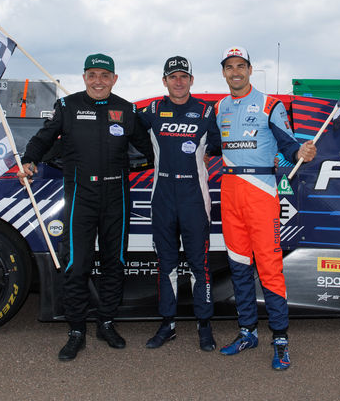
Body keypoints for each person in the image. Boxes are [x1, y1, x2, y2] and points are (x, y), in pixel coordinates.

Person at [18, 53, 154, 361]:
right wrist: (30, 160)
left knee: (114, 263)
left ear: (114, 79)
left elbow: (148, 150)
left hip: (117, 194)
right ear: (84, 77)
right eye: (92, 74)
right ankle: (76, 329)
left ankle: (106, 321)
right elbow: (43, 138)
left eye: (105, 75)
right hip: (81, 194)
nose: (98, 81)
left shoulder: (127, 110)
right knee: (76, 264)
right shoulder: (67, 107)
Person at [214, 46, 316, 371]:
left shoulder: (270, 104)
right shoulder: (219, 108)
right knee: (239, 267)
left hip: (260, 192)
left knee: (269, 269)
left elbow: (287, 145)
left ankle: (280, 340)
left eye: (240, 65)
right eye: (229, 67)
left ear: (250, 69)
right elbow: (212, 146)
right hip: (229, 193)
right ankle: (247, 332)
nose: (235, 72)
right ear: (224, 72)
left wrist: (302, 150)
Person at [138, 56, 222, 352]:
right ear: (164, 81)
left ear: (191, 80)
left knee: (200, 265)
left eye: (183, 76)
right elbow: (125, 135)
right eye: (173, 76)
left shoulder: (205, 111)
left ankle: (204, 325)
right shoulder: (151, 111)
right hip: (162, 196)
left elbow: (224, 145)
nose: (178, 81)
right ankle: (168, 324)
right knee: (166, 265)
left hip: (193, 198)